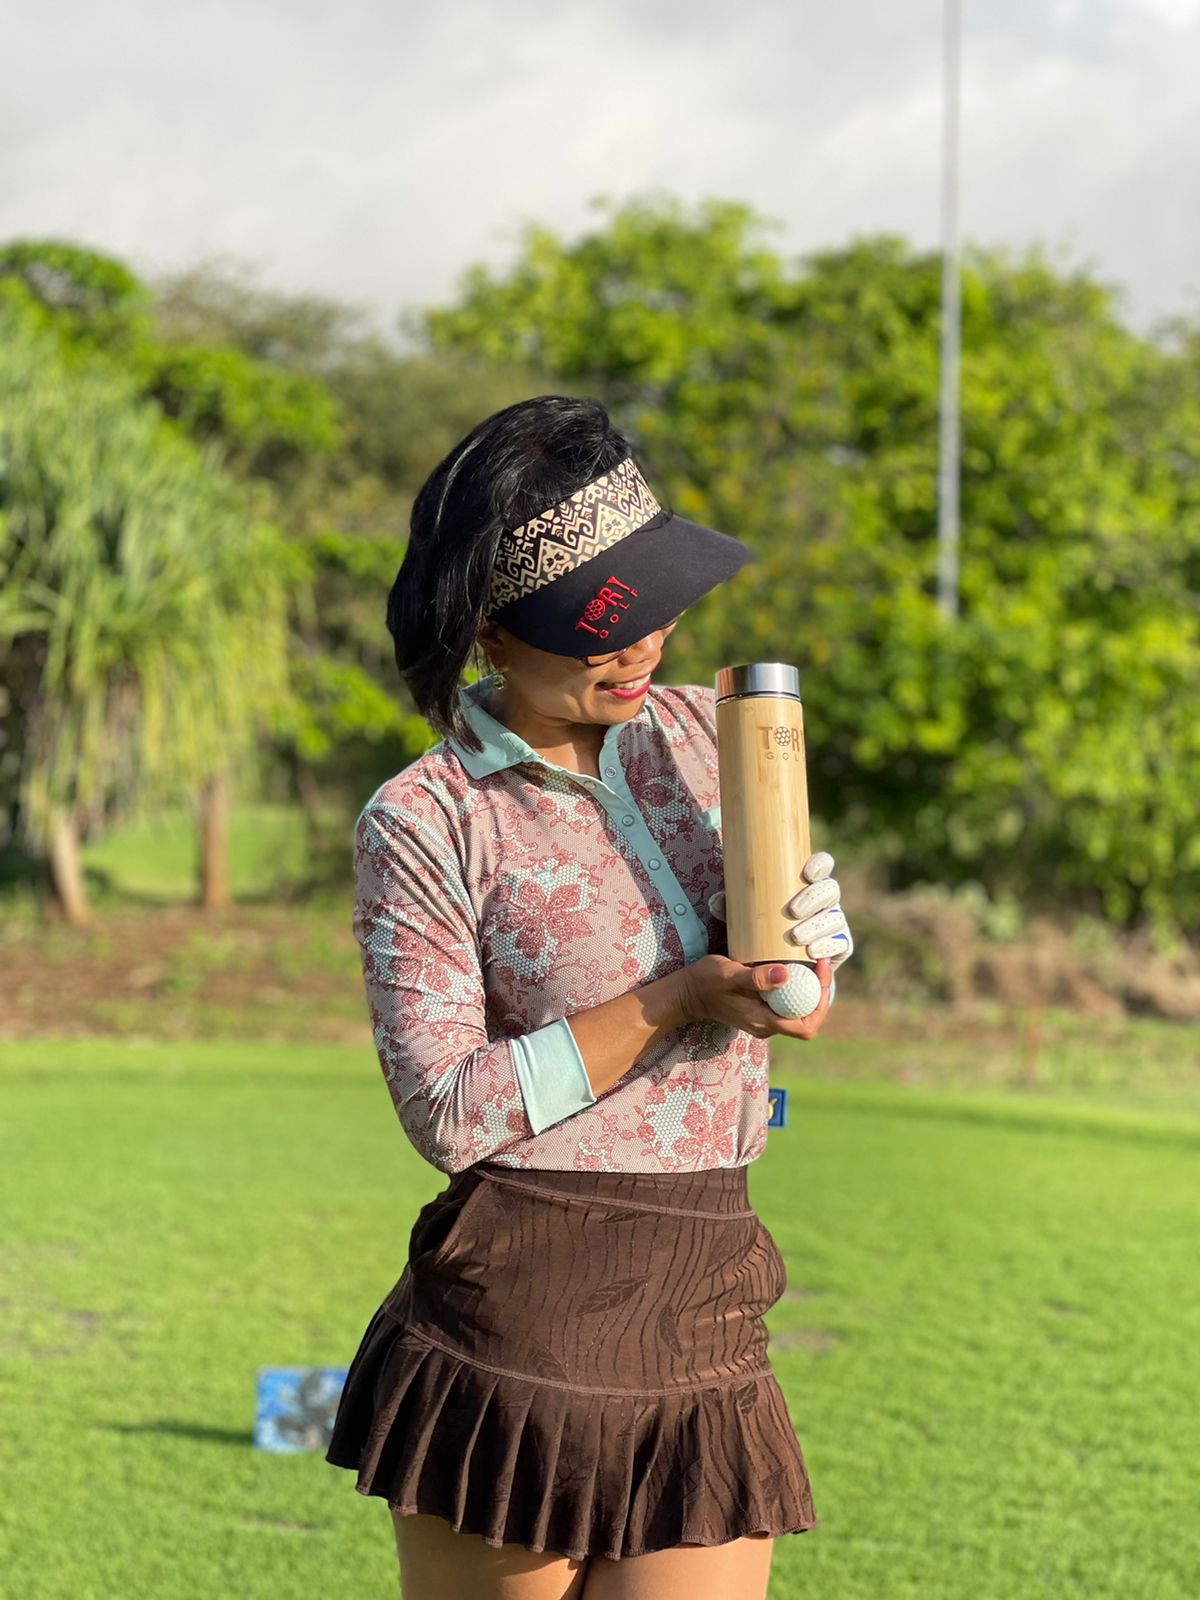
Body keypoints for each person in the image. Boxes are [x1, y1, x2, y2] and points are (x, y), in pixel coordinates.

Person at [325, 395, 854, 1600]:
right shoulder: (429, 818)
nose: (642, 646)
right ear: (495, 638)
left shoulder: (715, 739)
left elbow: (796, 1012)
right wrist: (671, 1002)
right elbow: (449, 1109)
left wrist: (806, 962)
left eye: (651, 607)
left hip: (708, 1286)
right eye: (597, 627)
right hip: (523, 1310)